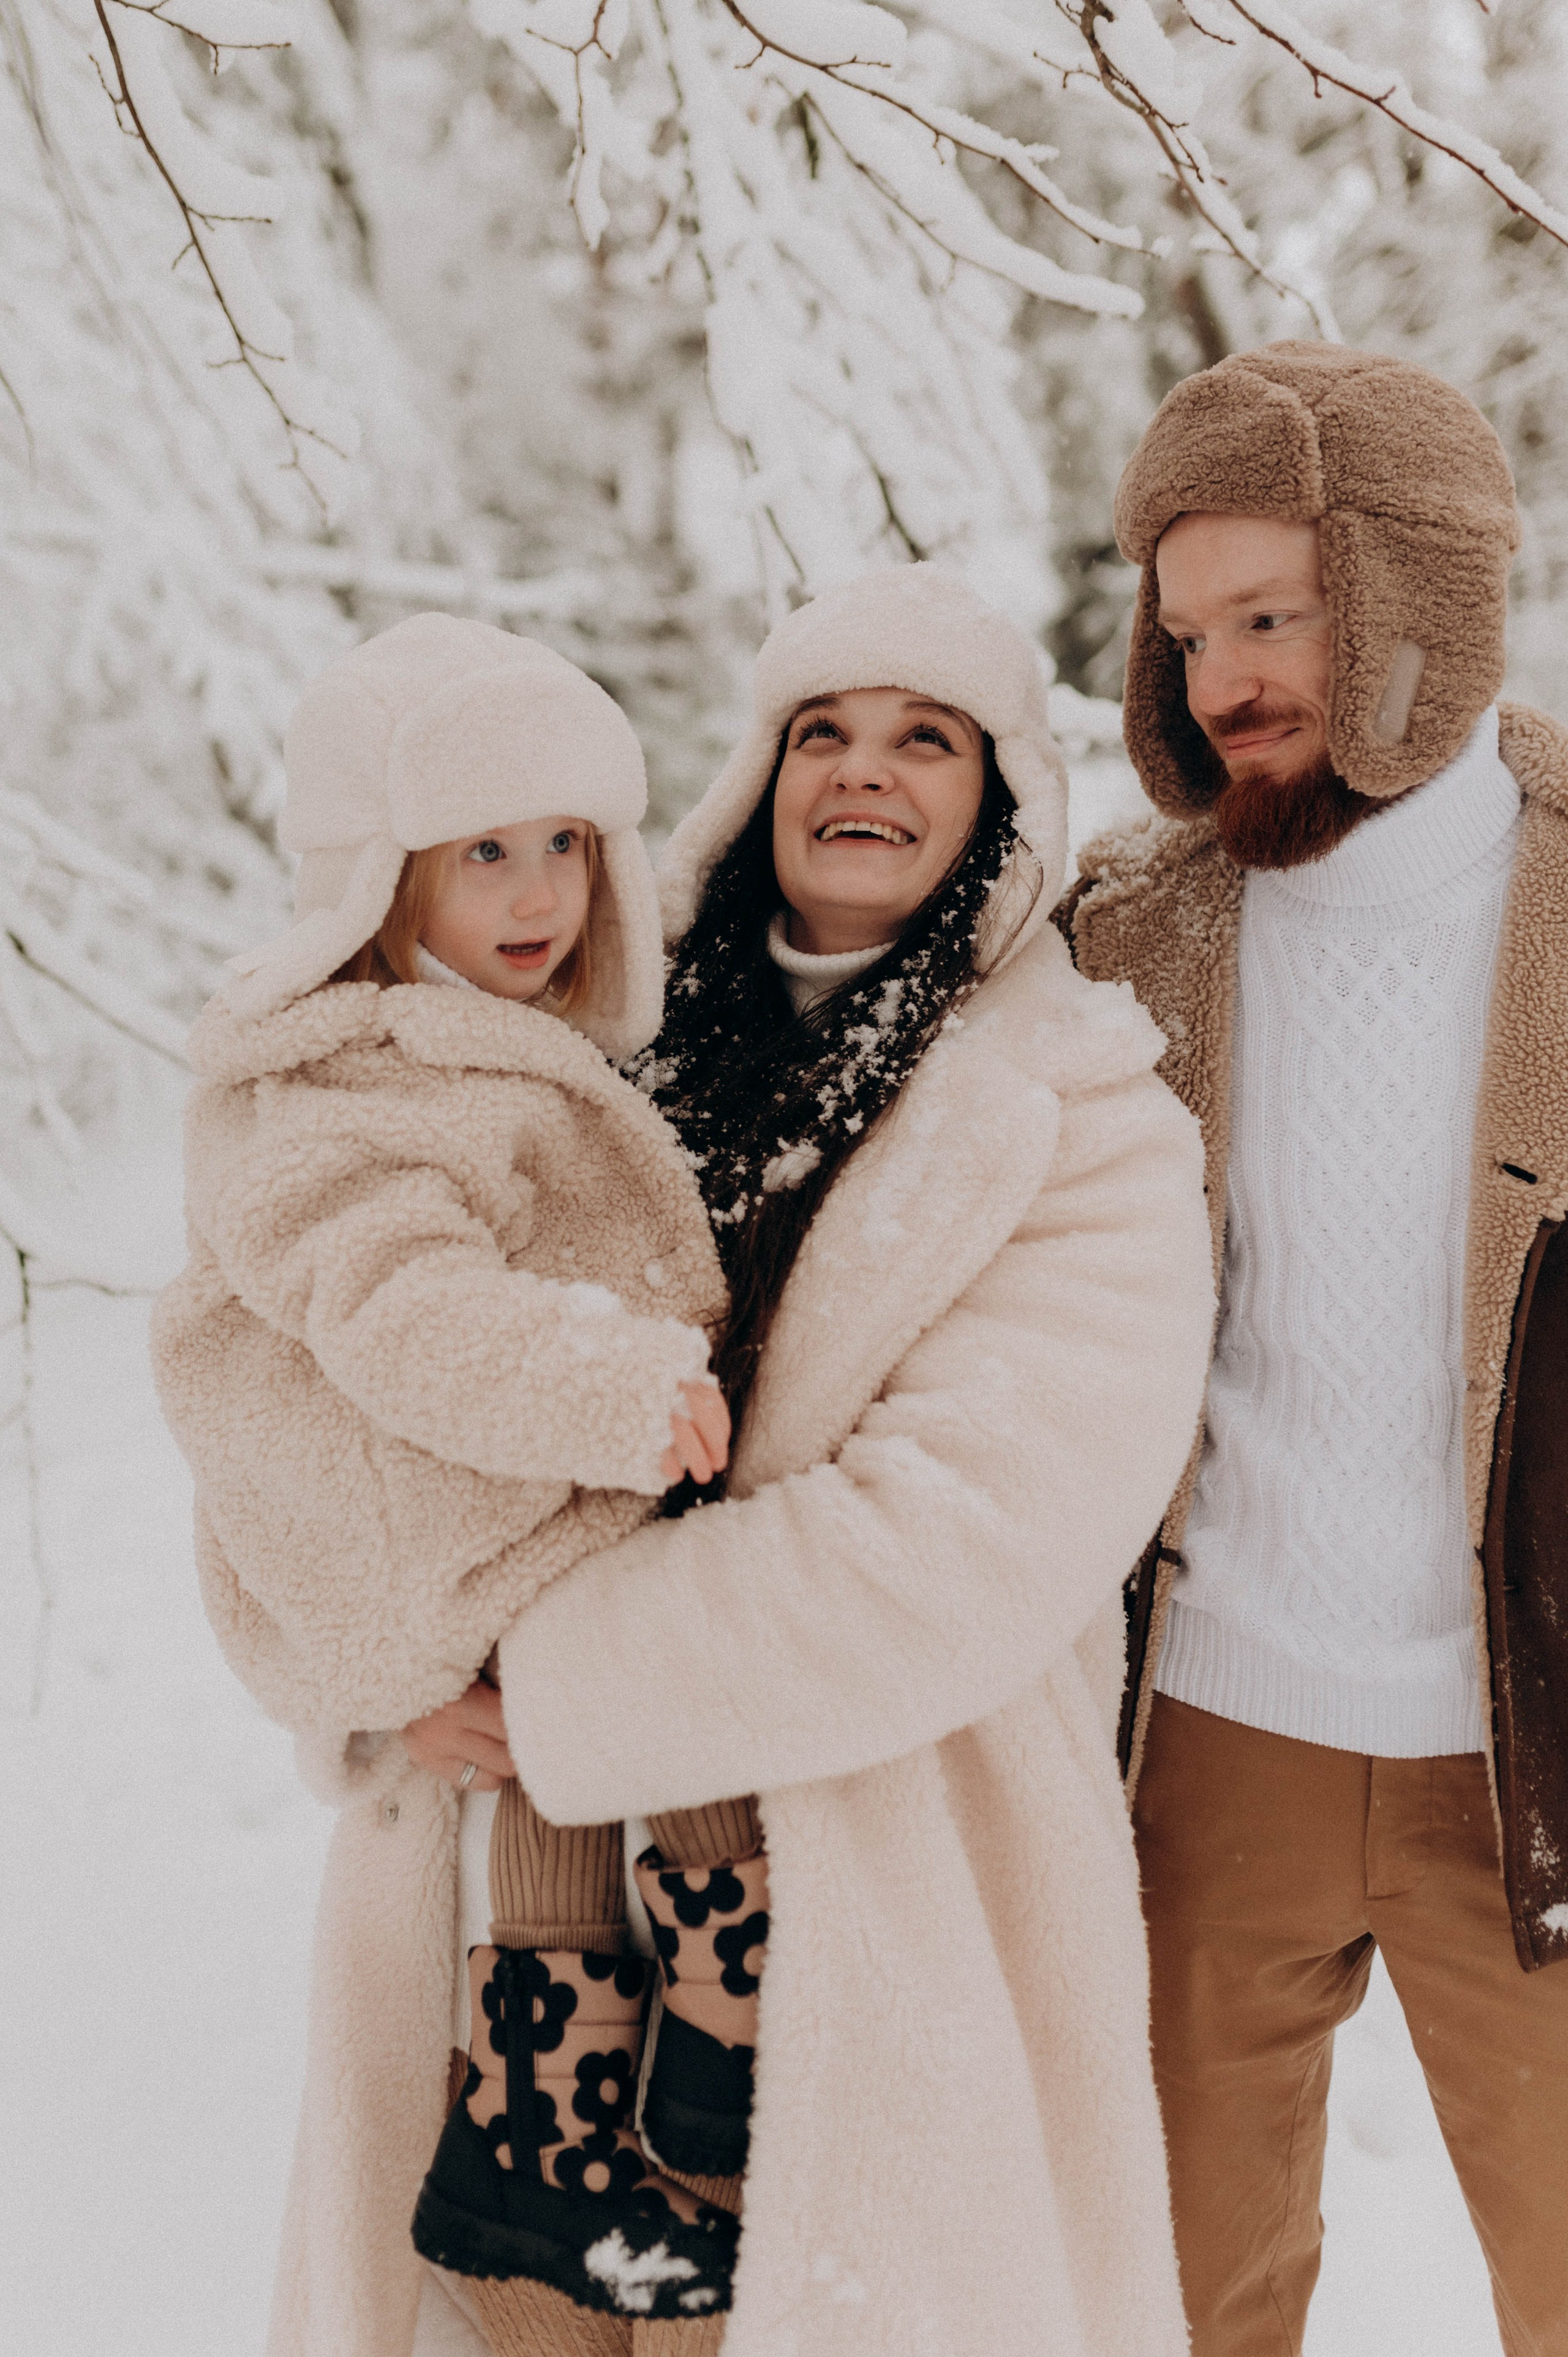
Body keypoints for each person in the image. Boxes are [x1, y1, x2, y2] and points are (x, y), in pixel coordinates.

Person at [407, 565, 1216, 2357]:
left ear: (1000, 802)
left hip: (863, 1907)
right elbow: (344, 1368)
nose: (864, 770)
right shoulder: (576, 1052)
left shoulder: (1084, 1123)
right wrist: (370, 1667)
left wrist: (548, 1682)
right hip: (519, 1925)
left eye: (926, 738)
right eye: (821, 732)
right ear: (757, 777)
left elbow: (958, 1547)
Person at [151, 612, 785, 2356]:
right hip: (483, 1616)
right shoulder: (349, 1088)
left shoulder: (509, 1053)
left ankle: (638, 2088)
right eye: (481, 852)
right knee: (587, 1739)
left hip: (539, 1607)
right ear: (380, 874)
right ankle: (626, 2097)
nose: (538, 894)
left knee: (613, 1736)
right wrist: (612, 1386)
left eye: (567, 843)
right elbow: (395, 1320)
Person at [1058, 341, 1568, 2355]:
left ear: (1415, 594)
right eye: (1191, 634)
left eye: (1271, 618)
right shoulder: (1129, 930)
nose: (1223, 683)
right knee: (1176, 2306)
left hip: (1532, 1747)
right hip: (1210, 1738)